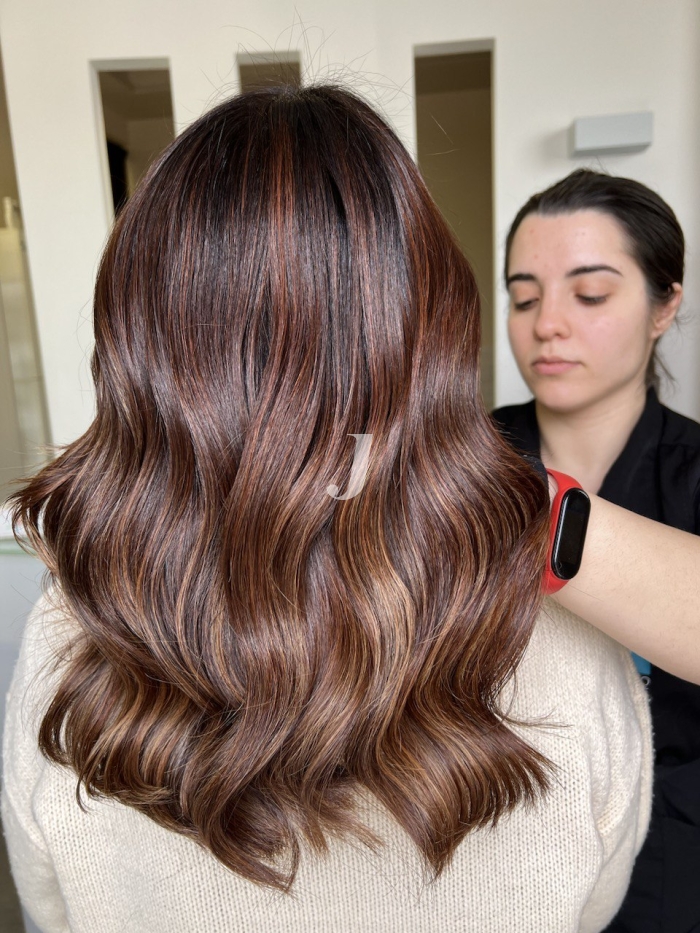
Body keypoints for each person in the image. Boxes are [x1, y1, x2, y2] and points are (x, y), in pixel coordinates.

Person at [2, 86, 651, 933]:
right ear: (427, 324)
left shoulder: (73, 633)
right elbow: (594, 900)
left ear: (141, 339)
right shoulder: (570, 638)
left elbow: (50, 904)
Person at [494, 168, 700, 933]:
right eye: (523, 296)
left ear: (663, 306)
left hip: (669, 851)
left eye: (589, 295)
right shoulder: (464, 449)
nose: (548, 323)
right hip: (490, 840)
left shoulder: (691, 473)